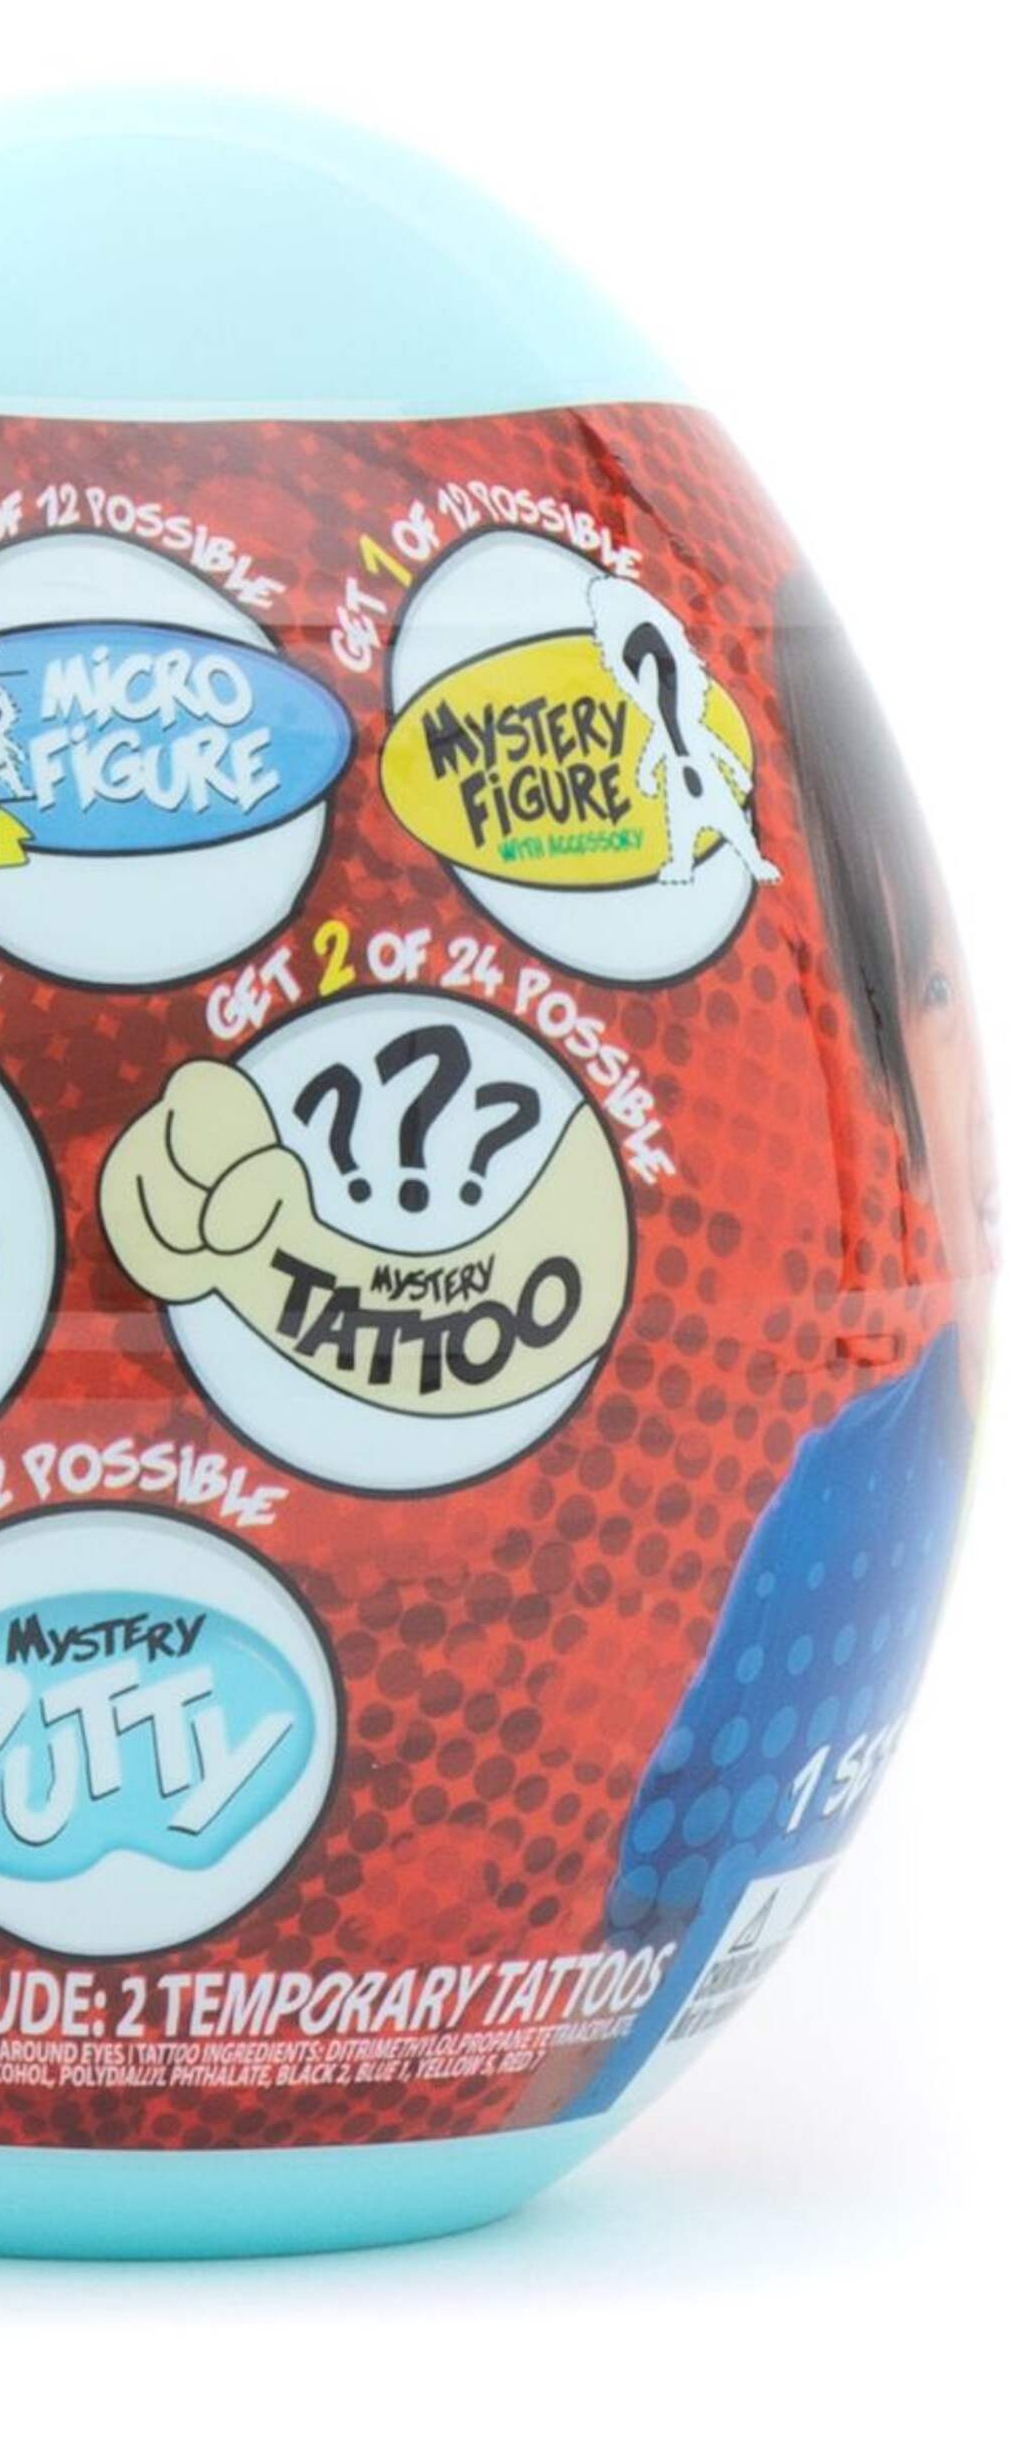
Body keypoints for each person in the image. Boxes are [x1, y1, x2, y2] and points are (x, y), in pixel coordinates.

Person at [567, 568, 993, 2116]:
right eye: (915, 993)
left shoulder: (857, 1494)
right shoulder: (835, 1503)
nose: (942, 1063)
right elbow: (632, 1950)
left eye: (940, 988)